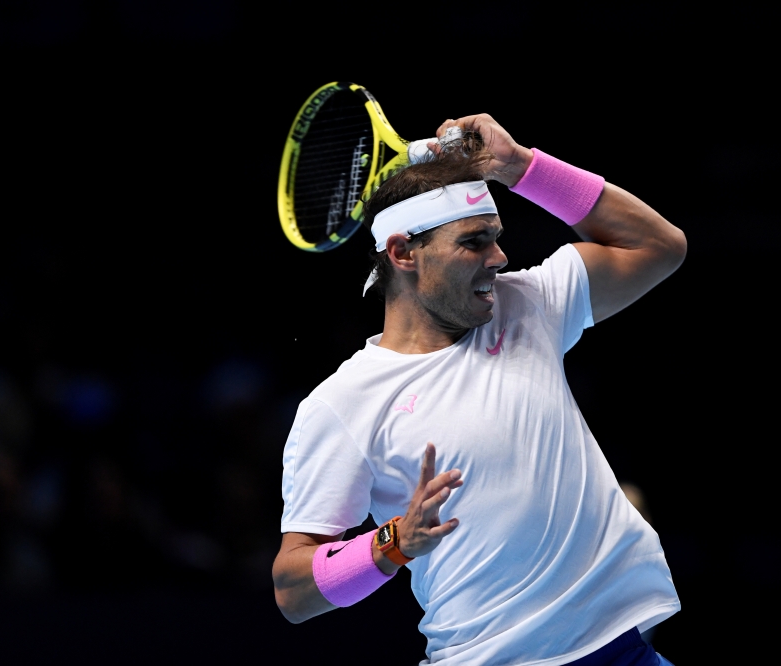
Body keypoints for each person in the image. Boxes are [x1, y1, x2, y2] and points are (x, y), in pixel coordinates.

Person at [272, 114, 687, 665]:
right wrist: (391, 543)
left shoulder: (528, 304)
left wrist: (521, 167)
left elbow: (659, 246)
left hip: (621, 650)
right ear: (402, 254)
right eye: (474, 242)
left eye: (496, 238)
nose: (499, 258)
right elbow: (293, 591)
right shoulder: (343, 403)